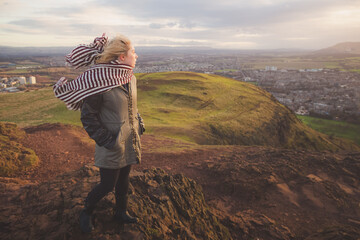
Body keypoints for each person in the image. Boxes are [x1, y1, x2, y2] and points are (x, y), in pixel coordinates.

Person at [53, 34, 145, 233]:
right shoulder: (99, 83)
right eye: (133, 52)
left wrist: (139, 123)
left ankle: (120, 211)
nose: (136, 56)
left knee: (124, 179)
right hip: (111, 143)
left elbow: (132, 107)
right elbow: (88, 118)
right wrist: (108, 140)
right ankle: (86, 211)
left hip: (129, 139)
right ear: (121, 57)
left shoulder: (130, 78)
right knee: (107, 184)